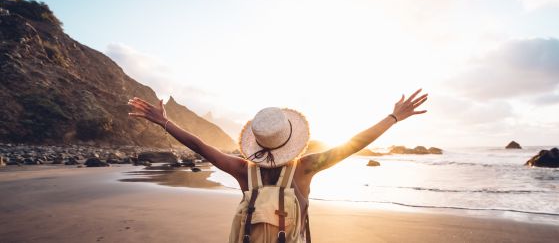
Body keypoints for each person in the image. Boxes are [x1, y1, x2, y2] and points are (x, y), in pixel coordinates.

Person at [127, 89, 428, 243]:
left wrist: (165, 122)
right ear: (292, 140)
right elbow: (353, 143)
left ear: (257, 144)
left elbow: (201, 146)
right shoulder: (306, 167)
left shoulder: (243, 169)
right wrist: (393, 118)